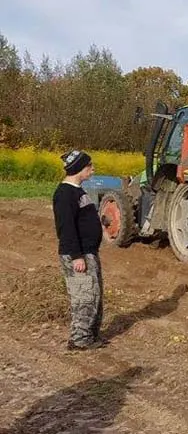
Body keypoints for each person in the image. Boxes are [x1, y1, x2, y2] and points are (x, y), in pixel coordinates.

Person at [53, 150, 106, 351]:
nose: (93, 169)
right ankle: (79, 339)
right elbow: (65, 228)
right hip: (78, 254)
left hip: (88, 251)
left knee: (94, 294)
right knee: (84, 296)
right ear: (79, 169)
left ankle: (90, 335)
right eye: (89, 166)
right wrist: (76, 256)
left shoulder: (78, 191)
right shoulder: (65, 194)